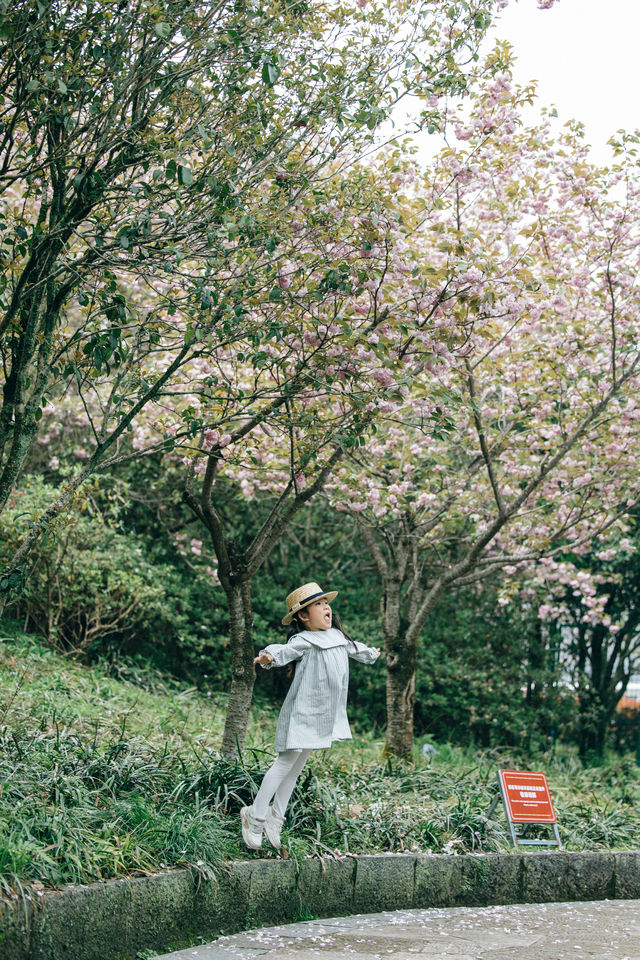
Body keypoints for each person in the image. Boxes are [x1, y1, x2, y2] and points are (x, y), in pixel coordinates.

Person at [240, 581, 380, 851]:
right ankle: (254, 816)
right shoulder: (303, 640)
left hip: (323, 715)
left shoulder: (338, 638)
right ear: (303, 616)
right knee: (284, 764)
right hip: (303, 713)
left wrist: (372, 653)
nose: (326, 607)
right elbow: (284, 650)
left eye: (326, 603)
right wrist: (268, 656)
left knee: (295, 767)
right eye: (318, 605)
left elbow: (356, 649)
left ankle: (275, 819)